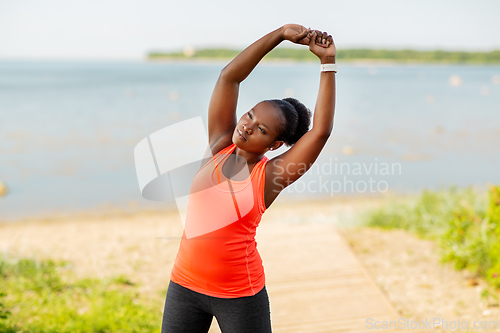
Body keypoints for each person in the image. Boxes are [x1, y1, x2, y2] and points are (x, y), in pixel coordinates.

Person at [161, 24, 336, 333]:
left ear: (273, 146)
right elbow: (230, 76)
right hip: (184, 287)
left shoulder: (269, 177)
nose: (247, 125)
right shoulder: (219, 145)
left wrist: (327, 64)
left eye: (262, 130)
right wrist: (279, 35)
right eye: (251, 115)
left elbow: (320, 132)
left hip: (240, 296)